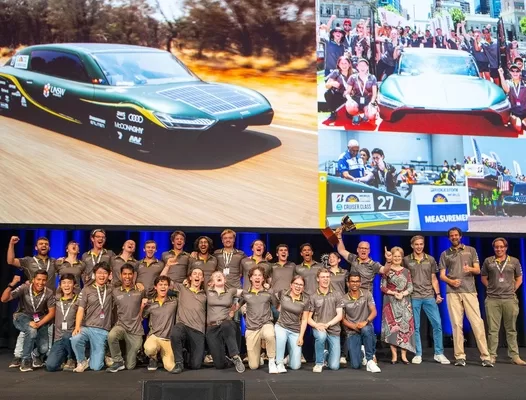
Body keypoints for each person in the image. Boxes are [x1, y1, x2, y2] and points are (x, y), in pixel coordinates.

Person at [439, 227, 493, 367]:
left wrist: (470, 269)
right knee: (456, 324)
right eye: (451, 236)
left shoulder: (471, 250)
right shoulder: (445, 254)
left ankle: (485, 356)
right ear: (449, 238)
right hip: (452, 292)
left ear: (460, 236)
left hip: (469, 291)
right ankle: (460, 356)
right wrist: (451, 281)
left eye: (456, 235)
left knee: (477, 322)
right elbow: (442, 275)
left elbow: (477, 269)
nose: (454, 237)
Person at [7, 235, 56, 368]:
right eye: (41, 243)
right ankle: (19, 356)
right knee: (27, 330)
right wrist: (12, 244)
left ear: (49, 247)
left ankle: (38, 354)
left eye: (46, 243)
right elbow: (10, 260)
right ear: (36, 247)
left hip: (47, 302)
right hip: (31, 302)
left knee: (45, 333)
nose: (43, 245)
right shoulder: (29, 260)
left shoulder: (54, 262)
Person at [403, 236, 450, 365]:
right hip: (414, 296)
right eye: (416, 244)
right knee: (416, 327)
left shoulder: (430, 259)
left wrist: (438, 294)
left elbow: (434, 278)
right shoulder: (406, 260)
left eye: (421, 244)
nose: (419, 246)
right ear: (412, 245)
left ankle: (439, 353)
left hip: (429, 296)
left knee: (438, 325)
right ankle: (418, 354)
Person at [481, 238, 525, 365]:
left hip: (509, 299)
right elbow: (483, 277)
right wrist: (490, 287)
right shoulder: (488, 261)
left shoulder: (514, 261)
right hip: (492, 299)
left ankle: (515, 356)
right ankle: (492, 355)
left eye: (501, 247)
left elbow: (519, 278)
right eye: (496, 247)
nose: (499, 249)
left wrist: (513, 289)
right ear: (494, 248)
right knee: (493, 330)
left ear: (506, 248)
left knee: (511, 329)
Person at [1, 271, 55, 372]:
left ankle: (34, 354)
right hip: (22, 316)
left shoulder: (49, 292)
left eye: (43, 280)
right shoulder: (24, 288)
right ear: (33, 280)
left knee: (43, 349)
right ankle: (26, 360)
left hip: (39, 318)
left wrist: (39, 323)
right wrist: (11, 284)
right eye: (38, 279)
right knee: (31, 330)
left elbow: (51, 313)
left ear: (46, 281)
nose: (41, 282)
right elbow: (4, 299)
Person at [70, 261, 114, 372]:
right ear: (94, 274)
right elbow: (80, 309)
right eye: (99, 273)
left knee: (96, 367)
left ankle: (100, 356)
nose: (102, 275)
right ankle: (82, 361)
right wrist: (77, 327)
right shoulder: (87, 289)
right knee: (75, 338)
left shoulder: (111, 289)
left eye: (105, 273)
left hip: (103, 330)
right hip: (88, 327)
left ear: (109, 275)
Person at [107, 263, 147, 372]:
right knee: (111, 335)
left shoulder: (140, 290)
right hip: (121, 327)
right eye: (125, 274)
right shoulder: (115, 291)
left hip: (135, 330)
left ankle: (133, 356)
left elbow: (146, 309)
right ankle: (118, 361)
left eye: (130, 274)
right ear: (120, 275)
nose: (127, 277)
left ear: (134, 275)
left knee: (130, 366)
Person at [239, 266, 278, 373]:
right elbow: (236, 307)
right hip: (252, 328)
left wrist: (270, 290)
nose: (257, 277)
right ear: (250, 278)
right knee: (253, 366)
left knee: (270, 334)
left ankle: (271, 361)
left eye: (259, 275)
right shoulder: (245, 293)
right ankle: (258, 357)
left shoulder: (268, 292)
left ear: (263, 279)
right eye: (254, 275)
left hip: (266, 323)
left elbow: (277, 305)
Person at [381, 247, 416, 364]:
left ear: (402, 258)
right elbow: (383, 287)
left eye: (398, 256)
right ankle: (394, 356)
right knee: (393, 329)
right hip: (390, 302)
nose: (396, 258)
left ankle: (404, 355)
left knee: (404, 329)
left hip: (404, 302)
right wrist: (394, 293)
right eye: (394, 256)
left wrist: (403, 294)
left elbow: (410, 287)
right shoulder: (386, 270)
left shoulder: (407, 271)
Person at [205, 271, 245, 373]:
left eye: (221, 275)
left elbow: (246, 293)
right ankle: (225, 359)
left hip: (226, 323)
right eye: (215, 276)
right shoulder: (208, 291)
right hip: (212, 327)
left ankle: (235, 356)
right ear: (212, 282)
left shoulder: (230, 291)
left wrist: (237, 307)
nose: (219, 276)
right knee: (219, 365)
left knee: (226, 324)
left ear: (225, 280)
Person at [170, 267, 207, 374]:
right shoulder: (182, 289)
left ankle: (185, 353)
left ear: (203, 279)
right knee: (175, 333)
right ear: (190, 277)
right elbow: (164, 280)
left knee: (196, 365)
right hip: (183, 325)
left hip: (198, 330)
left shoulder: (205, 294)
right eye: (194, 274)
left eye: (200, 274)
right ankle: (179, 363)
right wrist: (168, 266)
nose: (197, 276)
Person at [341, 272, 380, 373]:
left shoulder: (367, 294)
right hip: (352, 331)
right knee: (355, 365)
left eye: (357, 281)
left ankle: (370, 360)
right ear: (348, 283)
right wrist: (354, 326)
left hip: (365, 327)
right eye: (352, 281)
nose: (355, 284)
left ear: (360, 282)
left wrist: (365, 322)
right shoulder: (343, 298)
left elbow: (374, 312)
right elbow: (342, 319)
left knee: (367, 329)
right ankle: (363, 352)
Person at [308, 268, 343, 373]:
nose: (325, 279)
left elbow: (340, 315)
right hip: (319, 328)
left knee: (334, 366)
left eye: (327, 277)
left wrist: (328, 324)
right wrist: (317, 325)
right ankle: (319, 363)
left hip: (333, 329)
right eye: (323, 277)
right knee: (321, 336)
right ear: (318, 279)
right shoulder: (313, 296)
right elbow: (308, 318)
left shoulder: (337, 294)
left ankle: (326, 354)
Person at [274, 275, 309, 372]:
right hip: (281, 325)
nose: (298, 287)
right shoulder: (283, 293)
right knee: (281, 338)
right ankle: (279, 363)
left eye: (301, 285)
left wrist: (301, 336)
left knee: (295, 366)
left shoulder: (306, 299)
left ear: (303, 287)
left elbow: (305, 319)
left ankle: (289, 358)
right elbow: (271, 301)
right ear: (291, 285)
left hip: (295, 330)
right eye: (296, 284)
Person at [143, 275, 178, 372]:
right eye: (160, 285)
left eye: (165, 285)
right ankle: (153, 358)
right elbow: (141, 317)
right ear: (155, 287)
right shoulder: (150, 303)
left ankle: (162, 357)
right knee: (150, 348)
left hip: (168, 339)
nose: (163, 287)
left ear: (169, 287)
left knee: (170, 367)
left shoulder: (174, 301)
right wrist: (142, 305)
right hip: (154, 336)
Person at [46, 273, 78, 372]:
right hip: (59, 339)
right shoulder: (55, 300)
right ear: (60, 285)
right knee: (50, 366)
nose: (67, 285)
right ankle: (63, 357)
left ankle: (71, 358)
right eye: (64, 283)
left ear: (74, 285)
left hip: (73, 338)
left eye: (69, 283)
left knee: (67, 336)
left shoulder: (79, 301)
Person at [345, 58, 378, 125]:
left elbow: (374, 94)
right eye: (360, 65)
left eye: (364, 65)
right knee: (350, 107)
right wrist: (350, 100)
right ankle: (356, 115)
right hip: (356, 99)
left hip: (368, 100)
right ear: (357, 67)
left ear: (367, 67)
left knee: (371, 115)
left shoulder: (372, 77)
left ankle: (368, 113)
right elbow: (347, 92)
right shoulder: (353, 77)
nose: (362, 67)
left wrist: (371, 103)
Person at [498, 64, 526, 132]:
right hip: (514, 112)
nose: (515, 73)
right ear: (510, 72)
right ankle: (510, 118)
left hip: (524, 112)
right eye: (513, 71)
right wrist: (501, 75)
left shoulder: (524, 83)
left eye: (517, 71)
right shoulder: (508, 82)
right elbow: (506, 89)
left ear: (520, 72)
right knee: (518, 126)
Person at [324, 56, 353, 122]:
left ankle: (351, 112)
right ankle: (333, 112)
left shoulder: (354, 72)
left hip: (351, 97)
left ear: (349, 64)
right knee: (328, 93)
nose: (344, 65)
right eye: (342, 63)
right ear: (338, 65)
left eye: (345, 63)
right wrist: (332, 83)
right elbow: (327, 85)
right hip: (340, 96)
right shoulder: (336, 72)